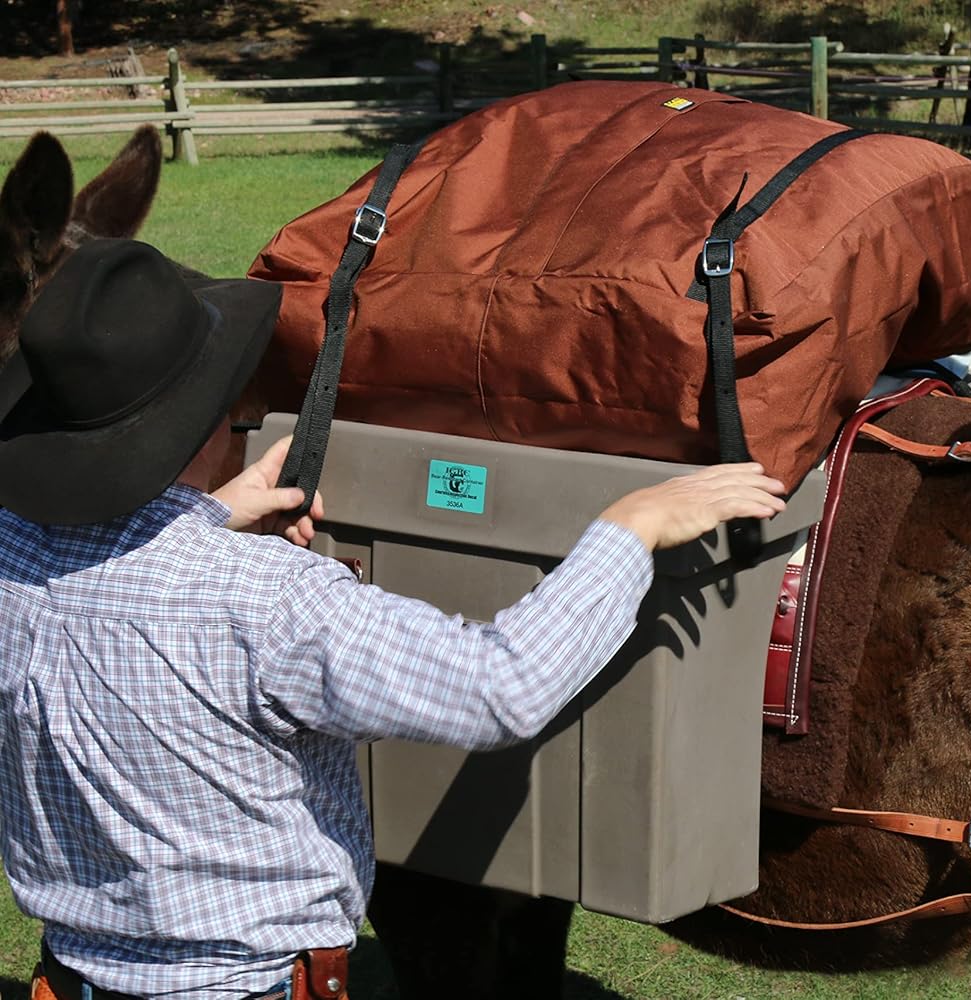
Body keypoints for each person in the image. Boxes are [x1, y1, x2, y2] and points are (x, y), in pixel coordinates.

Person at [0, 239, 786, 1000]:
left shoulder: (9, 558)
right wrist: (631, 527)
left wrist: (203, 515)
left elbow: (106, 583)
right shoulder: (269, 600)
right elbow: (500, 686)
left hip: (72, 976)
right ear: (208, 417)